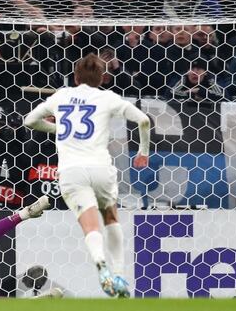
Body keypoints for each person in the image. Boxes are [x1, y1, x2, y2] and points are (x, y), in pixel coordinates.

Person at [23, 53, 151, 297]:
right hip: (101, 169)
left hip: (72, 172)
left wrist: (59, 128)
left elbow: (30, 121)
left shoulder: (62, 96)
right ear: (102, 78)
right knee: (111, 220)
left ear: (75, 77)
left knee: (90, 225)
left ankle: (100, 263)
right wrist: (143, 152)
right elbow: (143, 120)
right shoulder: (108, 97)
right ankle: (120, 276)